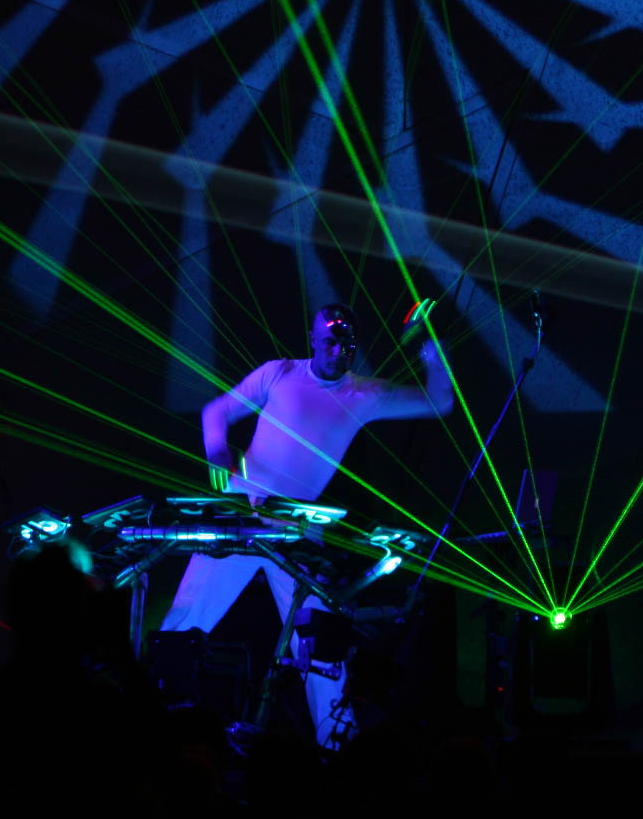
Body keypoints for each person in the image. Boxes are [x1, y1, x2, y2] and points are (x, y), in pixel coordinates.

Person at [161, 303, 454, 746]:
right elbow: (216, 412)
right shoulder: (279, 373)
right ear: (313, 339)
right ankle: (157, 719)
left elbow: (440, 401)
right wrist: (219, 462)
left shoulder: (364, 394)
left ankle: (337, 747)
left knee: (320, 644)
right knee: (185, 620)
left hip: (299, 528)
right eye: (331, 341)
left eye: (348, 344)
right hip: (242, 516)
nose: (339, 351)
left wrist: (431, 348)